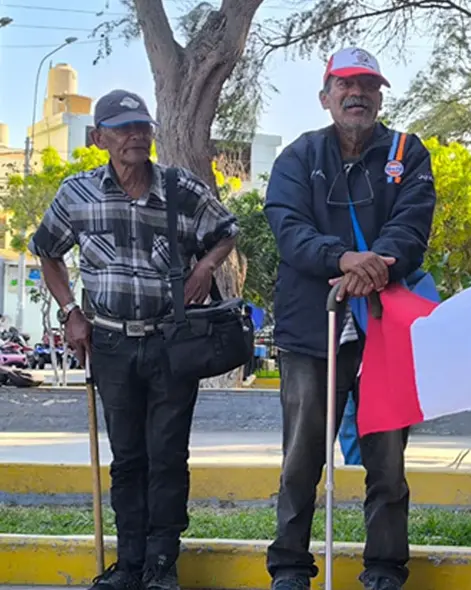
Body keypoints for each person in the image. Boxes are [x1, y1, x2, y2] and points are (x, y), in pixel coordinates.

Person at [29, 89, 238, 590]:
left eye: (142, 126)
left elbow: (228, 230)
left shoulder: (181, 188)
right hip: (110, 344)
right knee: (127, 458)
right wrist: (70, 312)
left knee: (167, 455)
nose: (136, 135)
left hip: (172, 342)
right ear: (99, 138)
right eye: (123, 128)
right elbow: (47, 253)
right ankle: (128, 565)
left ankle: (162, 566)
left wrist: (207, 265)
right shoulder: (76, 194)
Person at [263, 47, 436, 590]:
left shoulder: (408, 152)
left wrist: (374, 266)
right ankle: (290, 565)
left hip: (387, 328)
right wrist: (341, 259)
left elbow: (412, 225)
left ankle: (384, 567)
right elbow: (288, 228)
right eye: (344, 85)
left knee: (387, 458)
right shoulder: (297, 156)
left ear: (381, 95)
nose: (356, 93)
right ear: (325, 96)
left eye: (367, 85)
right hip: (312, 329)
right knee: (301, 456)